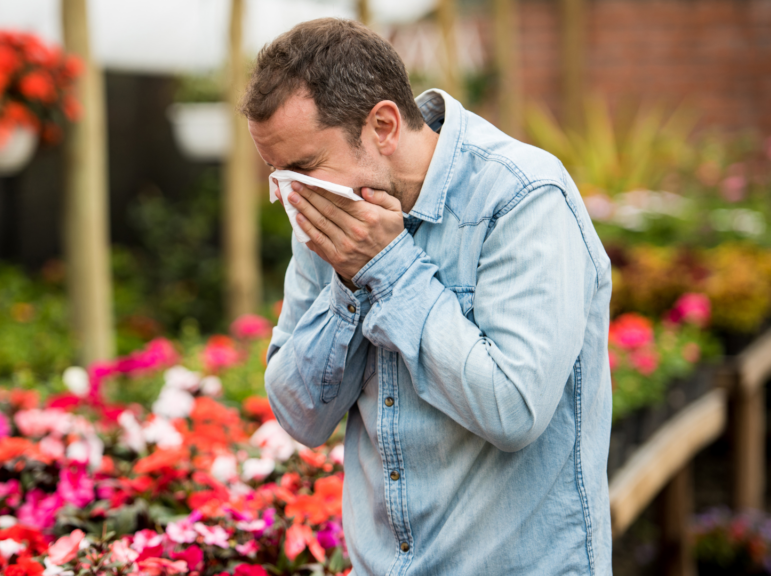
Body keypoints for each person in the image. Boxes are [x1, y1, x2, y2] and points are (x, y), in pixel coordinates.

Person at [245, 18, 612, 575]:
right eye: (279, 176)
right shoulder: (327, 219)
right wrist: (348, 285)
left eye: (303, 169)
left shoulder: (524, 196)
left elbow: (513, 408)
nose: (292, 196)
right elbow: (301, 418)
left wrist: (390, 270)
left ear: (384, 126)